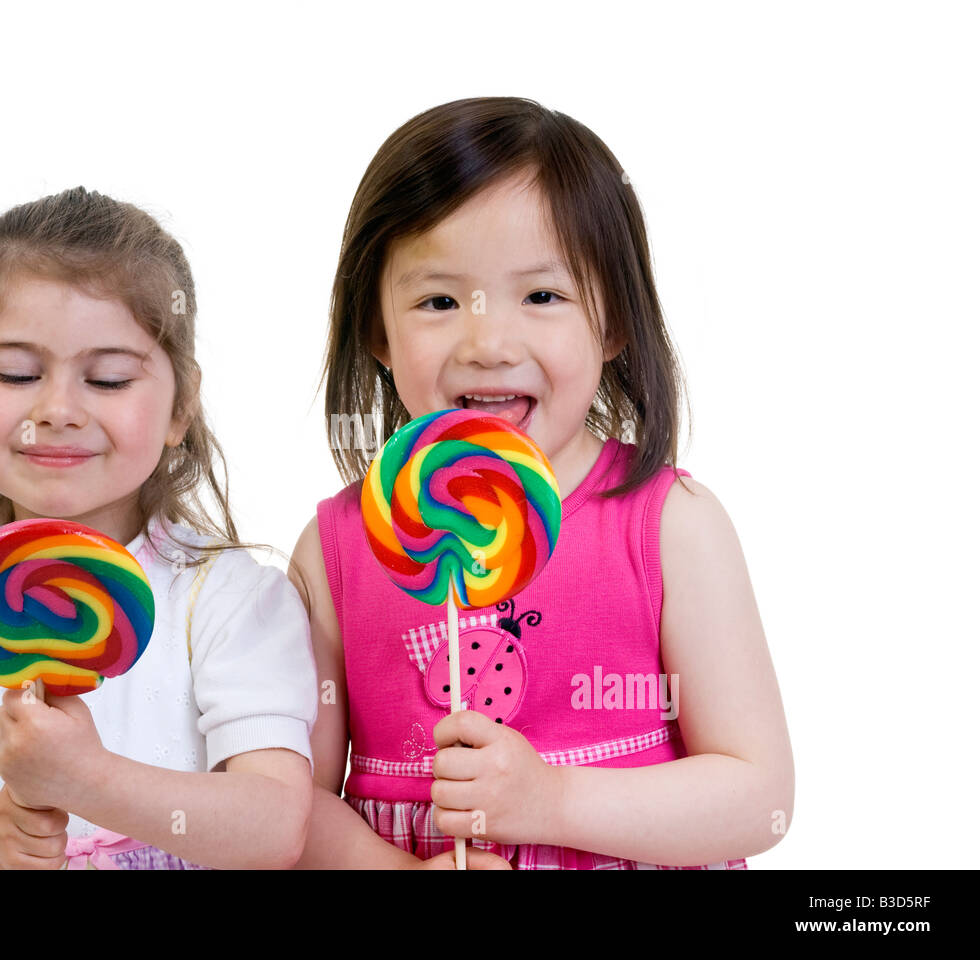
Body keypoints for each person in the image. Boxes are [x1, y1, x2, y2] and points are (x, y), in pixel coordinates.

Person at [290, 98, 793, 869]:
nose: (489, 341)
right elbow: (297, 806)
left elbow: (759, 796)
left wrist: (551, 802)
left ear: (615, 321)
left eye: (542, 296)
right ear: (376, 331)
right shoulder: (341, 550)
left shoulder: (670, 525)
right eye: (439, 301)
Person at [0, 187, 316, 869]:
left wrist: (88, 780)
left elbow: (276, 831)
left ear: (182, 407)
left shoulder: (236, 603)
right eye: (17, 373)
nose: (56, 409)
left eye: (109, 379)